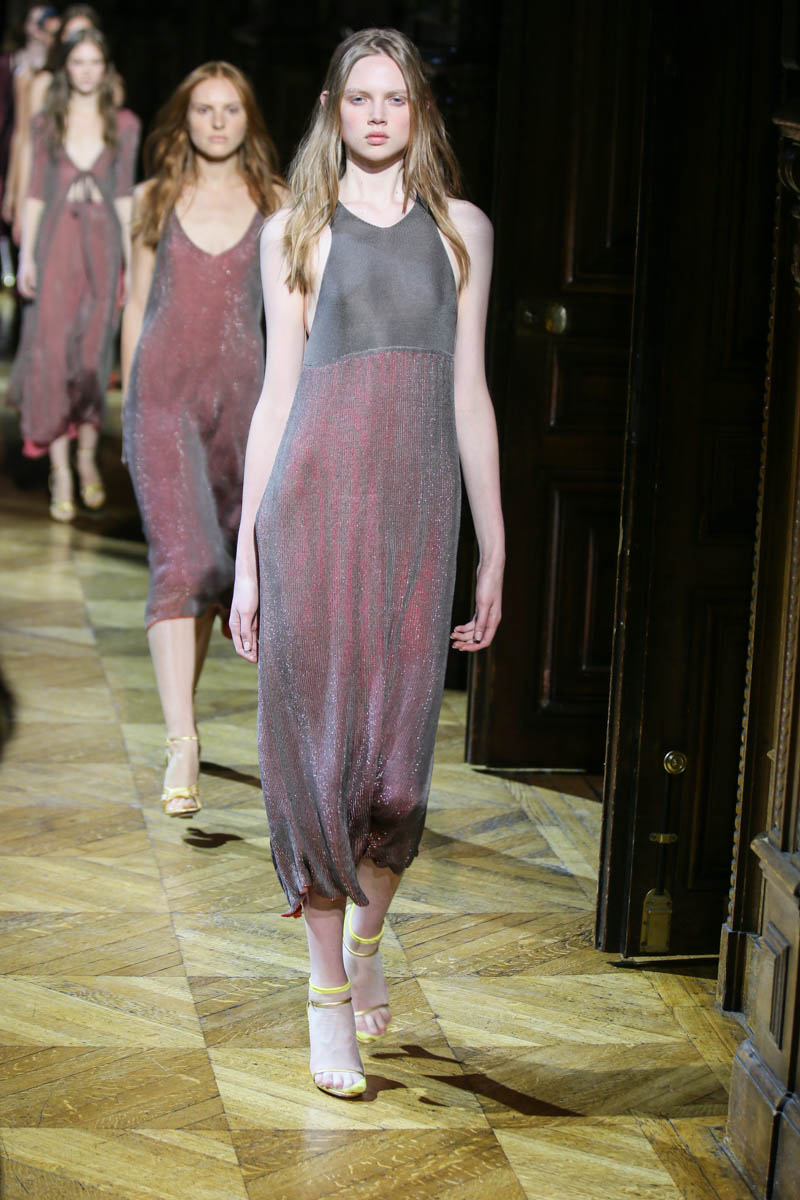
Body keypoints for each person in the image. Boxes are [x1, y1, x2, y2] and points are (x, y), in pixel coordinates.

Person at [230, 27, 504, 1100]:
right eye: (359, 98)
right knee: (318, 760)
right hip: (311, 515)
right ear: (332, 110)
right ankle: (326, 998)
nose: (377, 115)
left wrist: (494, 545)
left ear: (418, 110)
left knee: (395, 774)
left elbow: (470, 395)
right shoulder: (294, 231)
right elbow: (275, 399)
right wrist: (250, 557)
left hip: (415, 522)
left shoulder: (461, 233)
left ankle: (366, 938)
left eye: (395, 98)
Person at [121, 63, 284, 817]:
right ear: (182, 119)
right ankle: (182, 742)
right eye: (203, 109)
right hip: (162, 401)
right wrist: (128, 412)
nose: (217, 122)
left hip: (245, 410)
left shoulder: (277, 202)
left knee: (220, 569)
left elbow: (296, 315)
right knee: (182, 562)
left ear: (248, 119)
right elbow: (136, 307)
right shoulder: (152, 199)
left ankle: (187, 728)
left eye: (230, 109)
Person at [7, 27, 139, 521]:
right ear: (66, 67)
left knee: (91, 359)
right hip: (56, 247)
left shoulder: (123, 125)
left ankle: (86, 458)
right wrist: (26, 257)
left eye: (94, 62)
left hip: (102, 251)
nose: (86, 71)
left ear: (106, 69)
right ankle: (61, 469)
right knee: (53, 357)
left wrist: (131, 263)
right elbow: (36, 194)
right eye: (78, 62)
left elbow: (124, 197)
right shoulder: (48, 121)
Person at [5, 6, 103, 245]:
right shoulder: (42, 85)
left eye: (85, 33)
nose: (79, 41)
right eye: (72, 35)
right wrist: (16, 197)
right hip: (49, 195)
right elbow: (26, 141)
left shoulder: (109, 89)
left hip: (94, 200)